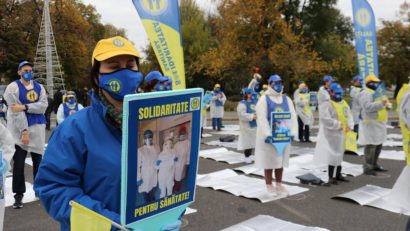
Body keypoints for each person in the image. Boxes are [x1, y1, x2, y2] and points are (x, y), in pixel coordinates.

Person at [34, 36, 182, 230]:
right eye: (114, 66)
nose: (125, 72)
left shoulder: (154, 122)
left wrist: (170, 212)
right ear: (97, 77)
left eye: (131, 65)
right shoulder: (74, 129)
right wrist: (111, 224)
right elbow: (54, 188)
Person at [3, 61, 47, 209]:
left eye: (30, 70)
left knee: (38, 163)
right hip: (19, 133)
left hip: (38, 130)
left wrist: (25, 106)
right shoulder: (12, 88)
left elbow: (43, 106)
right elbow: (16, 112)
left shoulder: (39, 87)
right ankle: (18, 195)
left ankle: (39, 191)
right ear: (19, 72)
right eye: (25, 70)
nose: (28, 72)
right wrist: (24, 131)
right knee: (19, 165)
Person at [255, 75, 298, 195]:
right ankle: (269, 185)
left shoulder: (286, 99)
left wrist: (293, 132)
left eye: (280, 82)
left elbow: (293, 116)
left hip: (283, 135)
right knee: (269, 161)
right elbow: (262, 119)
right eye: (275, 83)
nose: (278, 85)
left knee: (280, 160)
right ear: (270, 84)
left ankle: (279, 184)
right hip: (269, 137)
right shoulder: (263, 99)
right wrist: (267, 134)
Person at [320, 83, 353, 185]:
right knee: (333, 154)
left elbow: (349, 116)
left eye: (340, 93)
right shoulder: (327, 104)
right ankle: (331, 177)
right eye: (336, 93)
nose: (338, 95)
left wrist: (349, 126)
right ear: (330, 92)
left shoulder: (344, 103)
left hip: (342, 133)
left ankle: (338, 174)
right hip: (332, 134)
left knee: (340, 154)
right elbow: (325, 119)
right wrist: (338, 125)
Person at [358, 74, 390, 175]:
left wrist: (387, 105)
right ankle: (367, 167)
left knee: (378, 144)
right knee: (371, 145)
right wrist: (381, 104)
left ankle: (374, 164)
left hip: (379, 122)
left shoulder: (378, 92)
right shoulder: (365, 93)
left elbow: (385, 103)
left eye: (377, 83)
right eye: (374, 83)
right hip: (370, 122)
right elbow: (367, 107)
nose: (376, 84)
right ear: (369, 83)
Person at [313, 75, 335, 167]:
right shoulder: (322, 91)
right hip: (324, 113)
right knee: (323, 131)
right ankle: (322, 151)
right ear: (326, 82)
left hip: (330, 113)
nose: (332, 83)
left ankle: (328, 149)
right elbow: (329, 99)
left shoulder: (329, 90)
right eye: (331, 81)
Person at [137, 130, 160, 203]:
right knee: (145, 188)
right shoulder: (140, 150)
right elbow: (137, 165)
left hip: (154, 172)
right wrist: (138, 178)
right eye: (146, 137)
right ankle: (146, 200)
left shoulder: (157, 147)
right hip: (145, 173)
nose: (148, 139)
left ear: (152, 137)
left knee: (153, 186)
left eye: (150, 137)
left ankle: (151, 196)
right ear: (144, 138)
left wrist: (159, 164)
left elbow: (159, 159)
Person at [237, 88, 257, 163]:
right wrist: (252, 116)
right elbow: (241, 115)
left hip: (254, 125)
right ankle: (247, 156)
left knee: (253, 141)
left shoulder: (254, 102)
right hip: (246, 126)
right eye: (251, 94)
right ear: (247, 95)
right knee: (247, 142)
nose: (252, 95)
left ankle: (250, 155)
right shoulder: (242, 104)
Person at [174, 126, 190, 192]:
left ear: (185, 134)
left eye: (183, 134)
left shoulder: (188, 142)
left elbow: (188, 153)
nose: (182, 135)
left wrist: (187, 162)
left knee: (180, 176)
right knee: (175, 176)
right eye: (181, 134)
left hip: (183, 162)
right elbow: (173, 153)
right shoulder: (176, 144)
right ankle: (175, 186)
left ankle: (177, 188)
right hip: (176, 163)